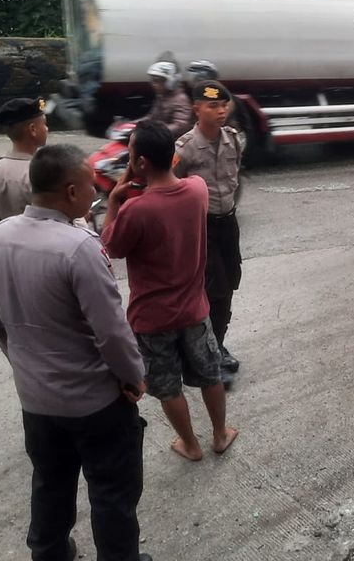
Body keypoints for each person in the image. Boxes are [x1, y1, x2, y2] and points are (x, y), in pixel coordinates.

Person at [0, 144, 152, 561]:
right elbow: (111, 332)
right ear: (71, 191)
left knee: (50, 483)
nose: (94, 192)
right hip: (94, 402)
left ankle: (49, 554)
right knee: (111, 492)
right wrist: (133, 377)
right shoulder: (79, 248)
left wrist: (21, 355)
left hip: (36, 401)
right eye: (90, 185)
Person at [103, 119, 239, 460]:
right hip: (195, 309)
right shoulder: (197, 190)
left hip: (153, 318)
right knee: (210, 375)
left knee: (168, 387)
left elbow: (111, 246)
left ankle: (191, 445)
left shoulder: (135, 209)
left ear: (140, 162)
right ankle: (220, 435)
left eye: (131, 153)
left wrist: (114, 202)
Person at [173, 80, 244, 380]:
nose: (220, 110)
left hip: (228, 223)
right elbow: (171, 186)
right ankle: (205, 357)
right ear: (196, 109)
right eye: (213, 105)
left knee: (230, 283)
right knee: (213, 291)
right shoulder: (184, 147)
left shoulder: (233, 140)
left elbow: (234, 179)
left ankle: (218, 345)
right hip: (202, 229)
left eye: (223, 104)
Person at [0, 97, 49, 234]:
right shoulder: (43, 172)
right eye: (45, 124)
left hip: (6, 250)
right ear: (33, 129)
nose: (47, 129)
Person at [146, 60, 194, 139]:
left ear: (170, 82)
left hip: (174, 144)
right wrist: (133, 125)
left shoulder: (180, 99)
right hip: (161, 140)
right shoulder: (162, 97)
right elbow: (151, 117)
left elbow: (180, 125)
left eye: (157, 81)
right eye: (153, 81)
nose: (154, 84)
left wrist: (155, 133)